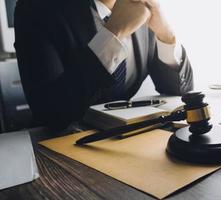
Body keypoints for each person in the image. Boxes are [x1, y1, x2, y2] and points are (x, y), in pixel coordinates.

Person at [14, 0, 194, 130]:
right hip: (62, 148)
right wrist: (113, 33)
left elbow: (179, 92)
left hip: (130, 139)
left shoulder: (143, 7)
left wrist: (166, 34)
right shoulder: (35, 9)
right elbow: (50, 112)